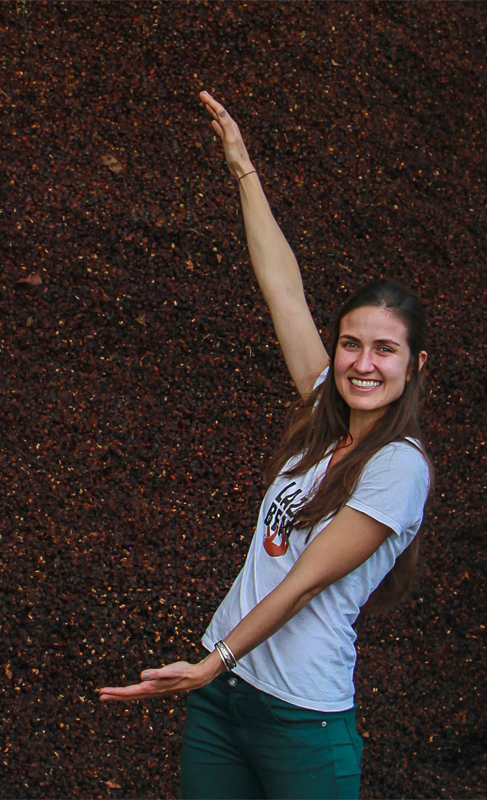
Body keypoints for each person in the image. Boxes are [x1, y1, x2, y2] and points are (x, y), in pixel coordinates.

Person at [98, 91, 433, 800]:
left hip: (301, 717)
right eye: (350, 344)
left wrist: (211, 661)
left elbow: (306, 578)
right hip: (224, 700)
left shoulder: (400, 467)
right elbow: (282, 288)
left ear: (414, 365)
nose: (362, 364)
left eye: (385, 350)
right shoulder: (324, 418)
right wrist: (243, 171)